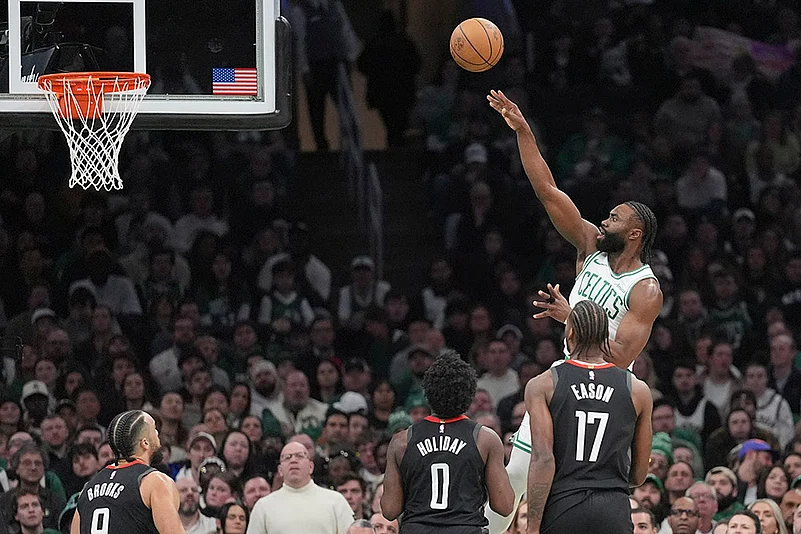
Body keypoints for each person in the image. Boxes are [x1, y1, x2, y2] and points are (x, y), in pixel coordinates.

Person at [485, 89, 663, 534]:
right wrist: (523, 131)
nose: (604, 221)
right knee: (514, 480)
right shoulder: (590, 247)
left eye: (614, 218)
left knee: (584, 494)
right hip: (565, 373)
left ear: (635, 234)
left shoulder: (645, 290)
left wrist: (572, 316)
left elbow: (620, 359)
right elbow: (548, 191)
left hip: (607, 392)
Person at [523, 300, 653, 533]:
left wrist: (532, 527)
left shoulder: (543, 384)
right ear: (605, 337)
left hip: (564, 505)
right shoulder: (638, 390)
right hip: (613, 508)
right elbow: (639, 473)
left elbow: (543, 460)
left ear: (570, 333)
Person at [381, 350, 514, 533]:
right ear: (469, 394)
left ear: (428, 393)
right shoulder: (485, 439)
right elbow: (504, 505)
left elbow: (389, 510)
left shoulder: (401, 441)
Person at [71, 410, 183, 534]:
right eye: (154, 429)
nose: (157, 434)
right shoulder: (154, 481)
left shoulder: (87, 488)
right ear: (145, 443)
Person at [247, 441, 354, 534]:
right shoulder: (263, 506)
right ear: (280, 470)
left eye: (299, 456)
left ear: (311, 467)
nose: (293, 460)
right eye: (287, 457)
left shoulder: (335, 501)